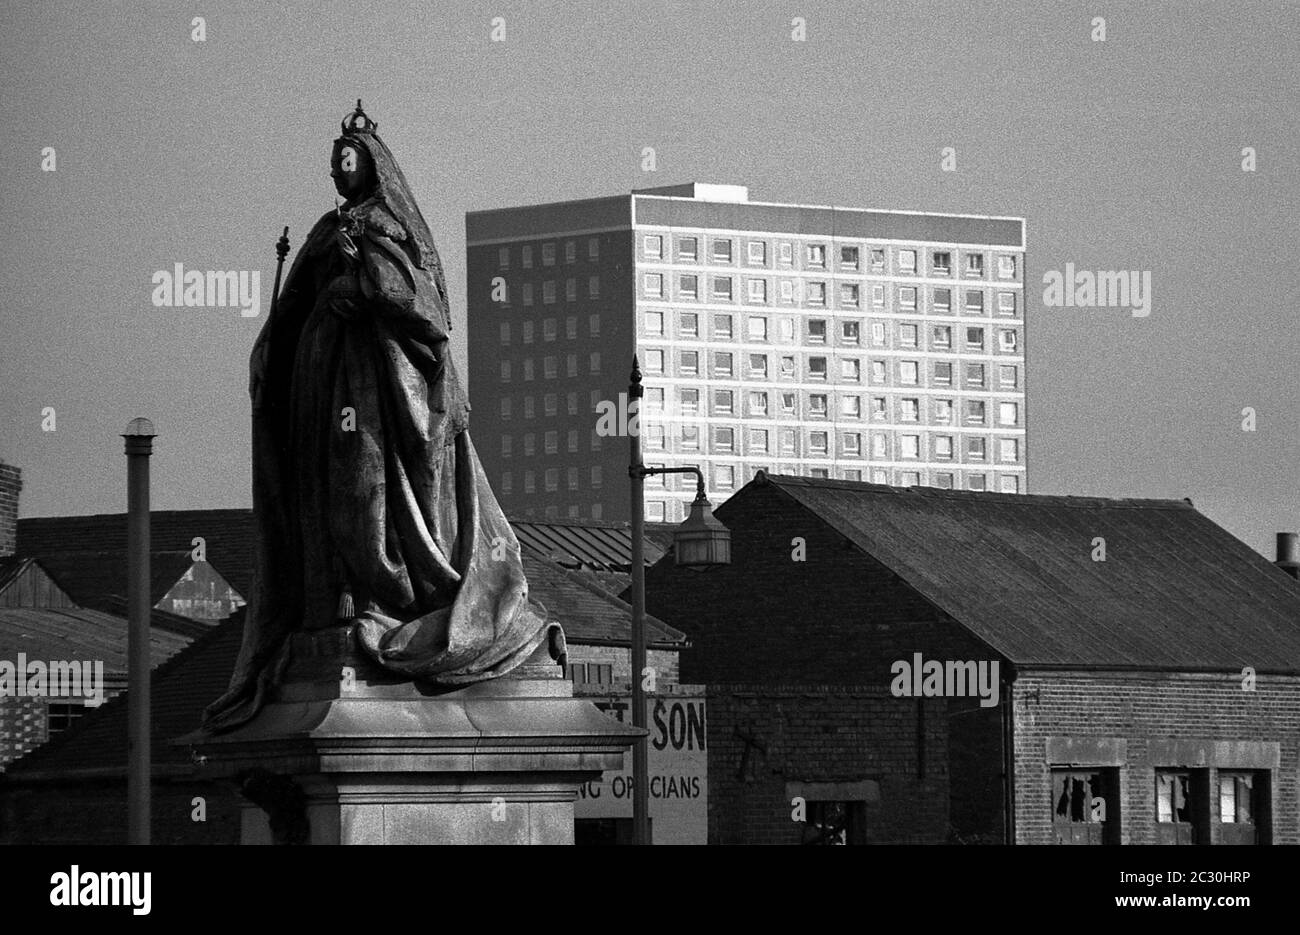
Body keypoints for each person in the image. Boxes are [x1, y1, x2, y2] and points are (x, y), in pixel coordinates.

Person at [205, 102, 557, 731]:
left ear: (371, 165)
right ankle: (335, 598)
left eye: (348, 157)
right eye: (333, 160)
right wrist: (270, 346)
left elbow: (420, 309)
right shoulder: (324, 231)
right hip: (323, 380)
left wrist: (358, 283)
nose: (339, 167)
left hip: (377, 391)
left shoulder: (389, 227)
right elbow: (290, 309)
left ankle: (381, 595)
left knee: (367, 486)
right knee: (325, 487)